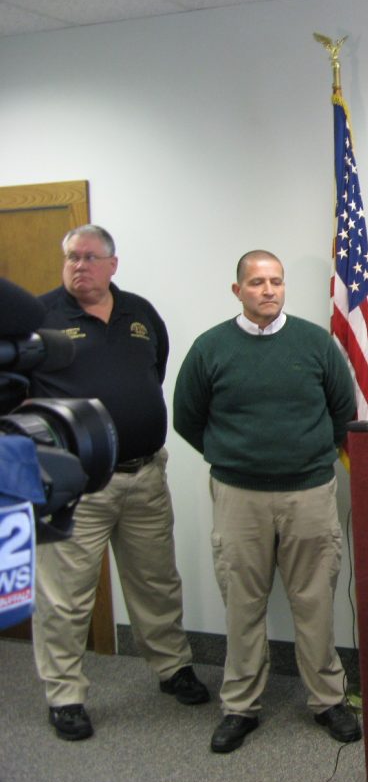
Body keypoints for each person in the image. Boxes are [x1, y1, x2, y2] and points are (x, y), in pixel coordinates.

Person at [173, 250, 361, 754]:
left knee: (314, 600)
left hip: (309, 493)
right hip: (239, 496)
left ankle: (328, 699)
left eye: (276, 281)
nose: (269, 290)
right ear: (237, 290)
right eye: (257, 282)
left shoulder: (315, 344)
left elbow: (342, 412)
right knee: (243, 602)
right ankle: (240, 705)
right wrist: (234, 456)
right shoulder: (210, 347)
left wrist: (306, 456)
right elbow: (186, 418)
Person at [30, 224, 209, 741]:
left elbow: (153, 373)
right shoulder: (41, 318)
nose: (79, 265)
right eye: (71, 256)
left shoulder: (139, 314)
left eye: (90, 257)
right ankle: (65, 694)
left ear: (113, 264)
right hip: (76, 484)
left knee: (156, 581)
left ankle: (172, 667)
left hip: (144, 475)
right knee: (66, 595)